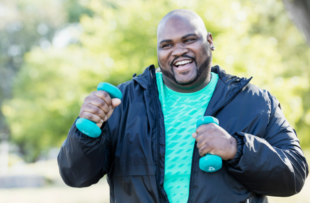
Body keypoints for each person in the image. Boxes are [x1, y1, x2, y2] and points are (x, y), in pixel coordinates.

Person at [57, 9, 308, 203]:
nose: (178, 51)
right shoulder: (123, 101)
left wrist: (236, 148)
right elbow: (75, 176)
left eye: (189, 40)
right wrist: (87, 130)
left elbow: (294, 175)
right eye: (167, 45)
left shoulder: (255, 102)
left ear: (209, 41)